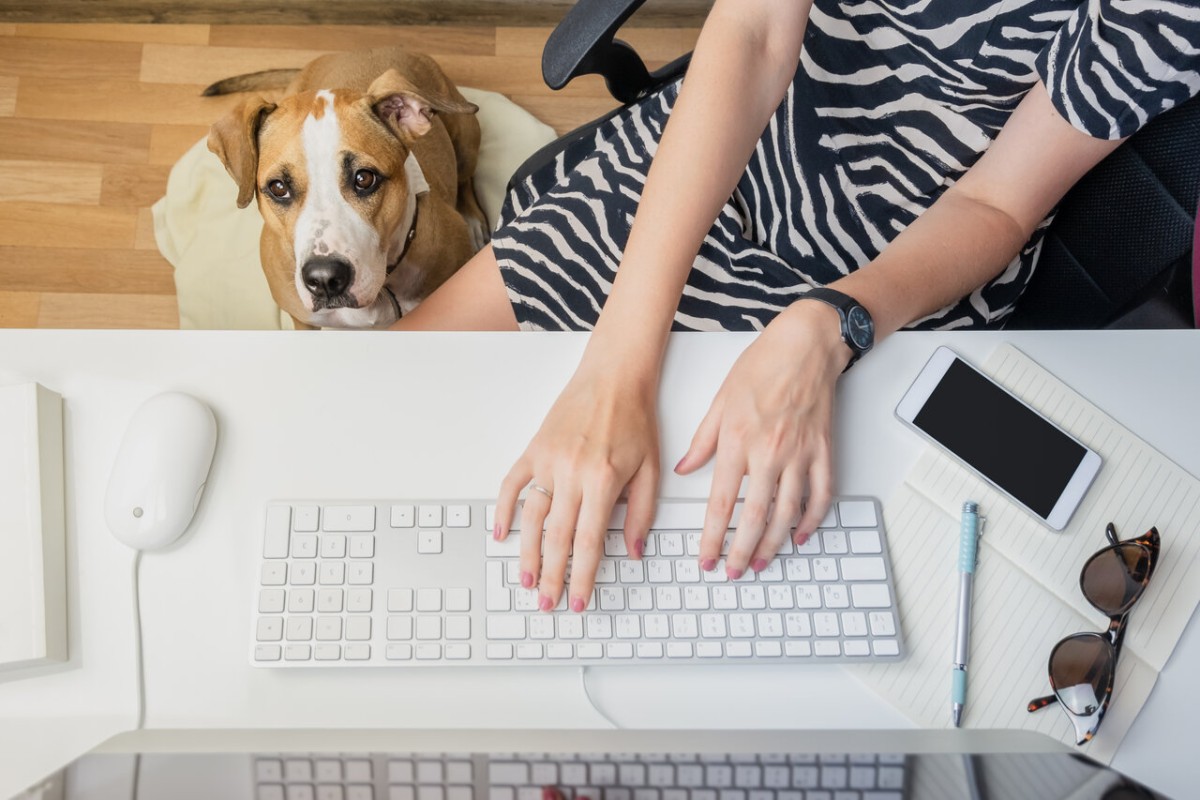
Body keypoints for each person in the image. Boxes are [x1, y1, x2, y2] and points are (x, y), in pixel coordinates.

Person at [393, 0, 1200, 614]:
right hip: (717, 160)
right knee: (379, 387)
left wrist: (829, 326)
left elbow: (998, 204)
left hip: (897, 270)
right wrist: (615, 365)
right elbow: (752, 40)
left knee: (705, 591)